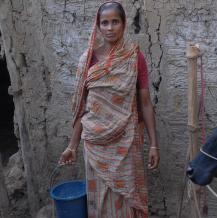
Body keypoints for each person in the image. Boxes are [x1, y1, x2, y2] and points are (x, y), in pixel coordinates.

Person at [58, 1, 159, 217]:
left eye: (115, 22)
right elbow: (81, 108)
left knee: (126, 199)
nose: (110, 28)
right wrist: (72, 146)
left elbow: (146, 103)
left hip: (126, 142)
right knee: (100, 202)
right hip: (94, 143)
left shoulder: (134, 57)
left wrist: (154, 145)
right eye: (104, 23)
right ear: (98, 26)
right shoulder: (87, 60)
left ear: (124, 25)